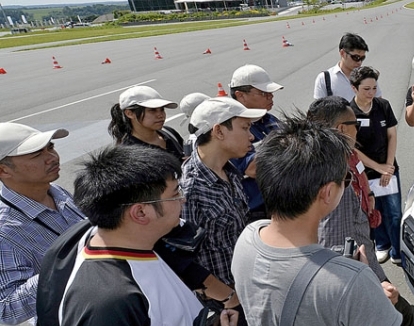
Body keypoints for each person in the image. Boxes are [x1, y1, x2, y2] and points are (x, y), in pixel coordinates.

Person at [35, 145, 238, 326]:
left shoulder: (134, 241)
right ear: (140, 213)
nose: (182, 200)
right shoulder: (109, 302)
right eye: (175, 194)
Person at [231, 114, 401, 326]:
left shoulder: (248, 238)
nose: (347, 184)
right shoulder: (353, 282)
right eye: (346, 179)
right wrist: (373, 296)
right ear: (327, 193)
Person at [307, 96, 414, 326]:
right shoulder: (336, 177)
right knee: (403, 316)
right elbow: (337, 240)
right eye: (355, 124)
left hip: (364, 257)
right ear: (341, 128)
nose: (359, 129)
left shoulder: (342, 156)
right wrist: (367, 285)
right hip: (358, 270)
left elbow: (360, 174)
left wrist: (369, 196)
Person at [0, 123, 85, 325]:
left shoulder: (57, 192)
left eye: (51, 147)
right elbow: (6, 310)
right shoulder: (5, 231)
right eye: (36, 154)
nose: (52, 157)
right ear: (3, 170)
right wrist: (64, 265)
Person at [182, 97, 265, 289]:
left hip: (246, 283)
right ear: (218, 131)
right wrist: (226, 298)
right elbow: (185, 260)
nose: (251, 137)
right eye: (245, 128)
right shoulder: (190, 188)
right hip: (225, 303)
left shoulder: (230, 172)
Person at [349, 66, 402, 265]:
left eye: (374, 88)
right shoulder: (350, 112)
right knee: (373, 210)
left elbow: (392, 135)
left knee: (394, 212)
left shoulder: (383, 106)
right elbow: (352, 147)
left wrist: (388, 166)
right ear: (354, 88)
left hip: (388, 169)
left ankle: (397, 249)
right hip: (367, 172)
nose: (371, 93)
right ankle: (382, 245)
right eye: (366, 89)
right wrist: (377, 167)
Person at [229, 64, 283, 221]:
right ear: (240, 95)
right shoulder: (232, 129)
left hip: (280, 205)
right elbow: (254, 168)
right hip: (253, 213)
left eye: (270, 92)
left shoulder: (270, 120)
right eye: (263, 93)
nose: (270, 96)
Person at [108, 85, 184, 161]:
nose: (160, 115)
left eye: (162, 109)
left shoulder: (169, 133)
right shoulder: (128, 155)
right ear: (129, 113)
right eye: (152, 110)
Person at [314, 32, 382, 101]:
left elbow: (379, 104)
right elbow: (318, 109)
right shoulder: (325, 79)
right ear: (342, 53)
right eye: (356, 57)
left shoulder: (368, 76)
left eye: (362, 58)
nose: (359, 62)